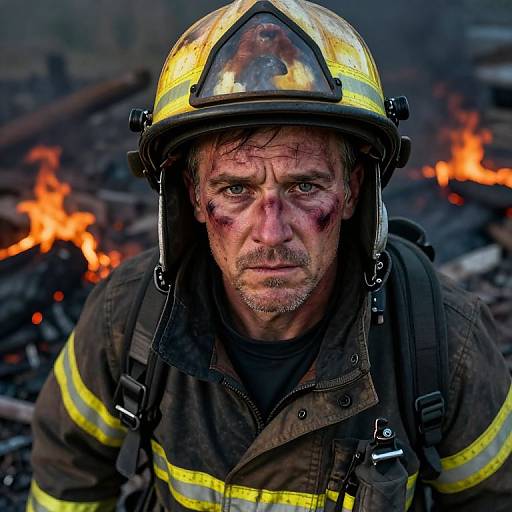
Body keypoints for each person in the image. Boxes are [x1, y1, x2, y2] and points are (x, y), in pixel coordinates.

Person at [28, 1, 512, 511]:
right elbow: (67, 474)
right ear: (193, 197)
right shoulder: (126, 319)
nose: (271, 232)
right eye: (236, 189)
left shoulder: (443, 343)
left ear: (351, 191)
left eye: (304, 186)